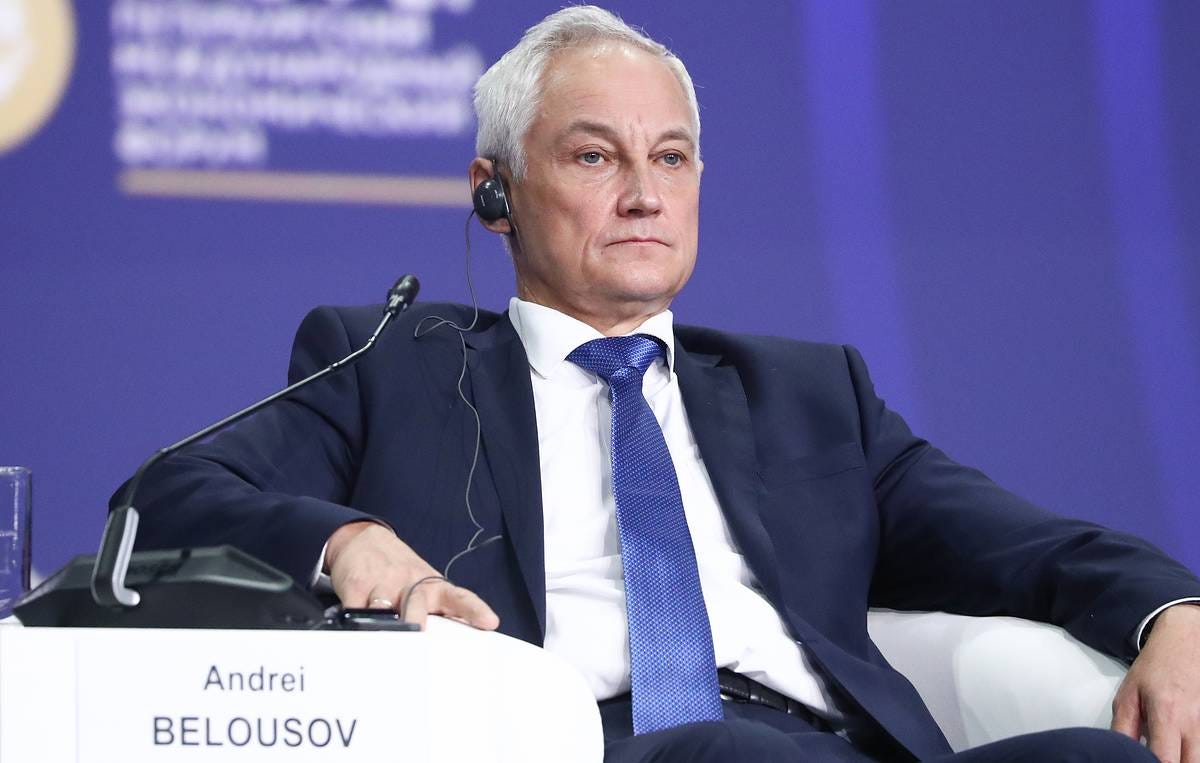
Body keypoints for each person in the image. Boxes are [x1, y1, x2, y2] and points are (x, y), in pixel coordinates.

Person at [126, 6, 1200, 762]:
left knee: (1094, 757)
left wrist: (1175, 612)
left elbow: (1030, 546)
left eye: (672, 158)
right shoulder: (388, 363)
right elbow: (165, 495)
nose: (645, 194)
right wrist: (351, 541)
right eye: (596, 157)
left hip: (827, 746)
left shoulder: (810, 393)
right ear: (495, 192)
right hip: (589, 743)